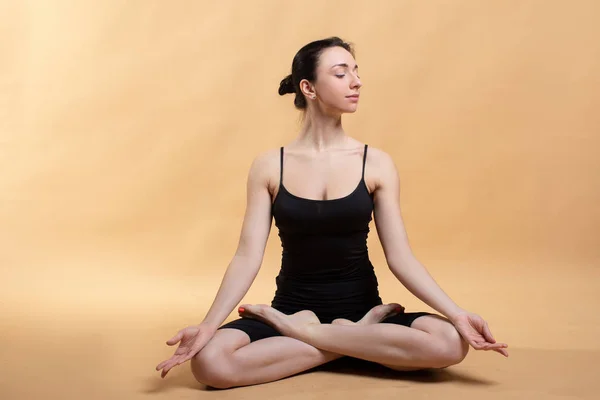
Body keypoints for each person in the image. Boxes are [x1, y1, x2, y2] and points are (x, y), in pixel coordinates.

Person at [155, 37, 508, 389]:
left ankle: (313, 335)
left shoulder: (376, 163)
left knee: (449, 341)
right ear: (308, 87)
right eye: (341, 74)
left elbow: (401, 258)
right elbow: (247, 256)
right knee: (210, 364)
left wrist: (456, 313)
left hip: (358, 306)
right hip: (295, 311)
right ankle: (354, 341)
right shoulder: (269, 166)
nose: (357, 81)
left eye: (355, 72)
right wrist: (207, 325)